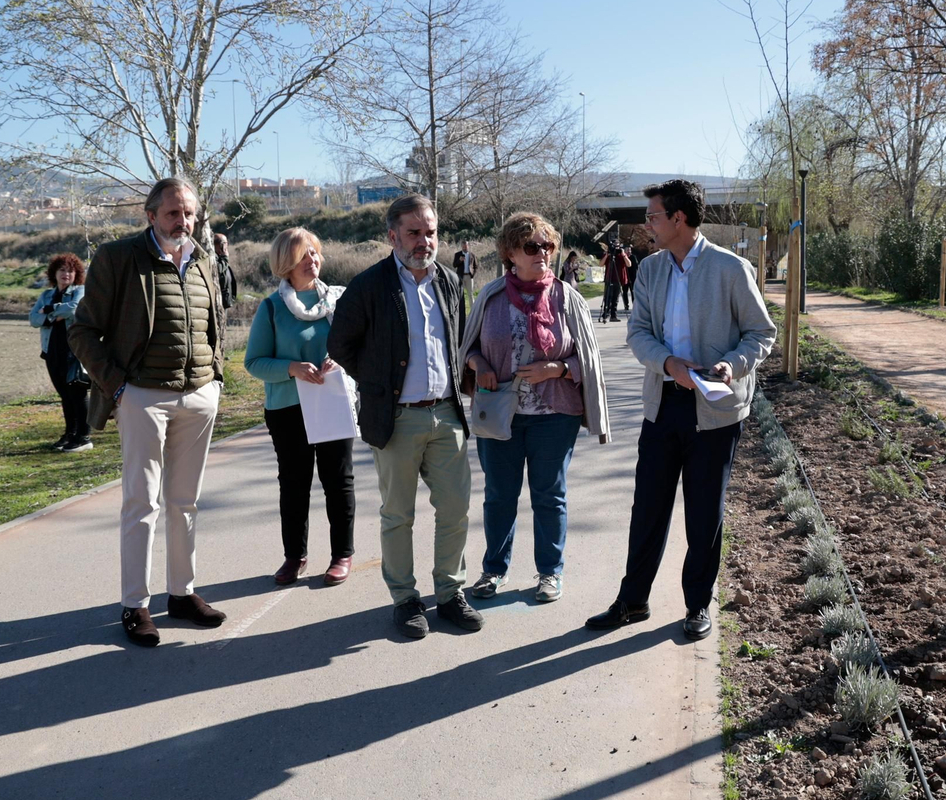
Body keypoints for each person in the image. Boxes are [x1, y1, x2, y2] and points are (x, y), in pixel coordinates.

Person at [586, 179, 775, 642]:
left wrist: (732, 364)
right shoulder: (650, 270)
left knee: (704, 514)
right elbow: (639, 333)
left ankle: (696, 606)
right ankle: (633, 600)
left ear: (679, 218)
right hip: (663, 405)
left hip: (716, 413)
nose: (647, 223)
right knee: (647, 507)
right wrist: (669, 363)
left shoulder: (731, 268)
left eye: (653, 215)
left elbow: (761, 333)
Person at [69, 178, 229, 648]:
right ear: (151, 215)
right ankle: (135, 604)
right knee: (142, 502)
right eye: (173, 213)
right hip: (142, 395)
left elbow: (214, 319)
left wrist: (216, 376)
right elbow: (83, 331)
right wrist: (118, 386)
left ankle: (182, 594)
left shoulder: (204, 259)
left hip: (199, 396)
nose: (183, 221)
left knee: (186, 502)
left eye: (190, 213)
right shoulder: (119, 258)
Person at [327, 194, 483, 639]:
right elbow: (340, 345)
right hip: (396, 420)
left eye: (430, 232)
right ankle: (405, 598)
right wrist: (378, 385)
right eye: (414, 233)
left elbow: (457, 339)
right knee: (398, 515)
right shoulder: (369, 285)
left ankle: (450, 593)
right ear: (392, 235)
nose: (423, 241)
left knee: (455, 510)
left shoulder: (449, 281)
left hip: (447, 415)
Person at [462, 212, 610, 604]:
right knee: (499, 496)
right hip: (500, 414)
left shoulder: (567, 297)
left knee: (549, 495)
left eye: (547, 245)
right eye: (532, 246)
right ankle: (494, 570)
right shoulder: (490, 297)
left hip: (554, 417)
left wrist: (558, 368)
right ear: (511, 253)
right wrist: (479, 365)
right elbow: (467, 349)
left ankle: (550, 572)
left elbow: (589, 360)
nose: (542, 253)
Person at [245, 227, 355, 587]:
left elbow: (358, 349)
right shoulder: (272, 308)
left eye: (315, 253)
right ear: (286, 263)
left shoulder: (338, 302)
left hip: (331, 404)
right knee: (294, 485)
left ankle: (342, 554)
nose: (313, 260)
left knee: (338, 481)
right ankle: (295, 557)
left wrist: (342, 362)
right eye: (304, 254)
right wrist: (291, 368)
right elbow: (254, 362)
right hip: (287, 410)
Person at [29, 252, 92, 451]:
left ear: (77, 274)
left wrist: (49, 310)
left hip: (74, 351)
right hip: (51, 351)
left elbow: (74, 309)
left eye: (70, 271)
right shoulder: (45, 295)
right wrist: (52, 317)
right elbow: (33, 319)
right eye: (62, 270)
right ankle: (69, 434)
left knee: (78, 393)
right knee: (65, 395)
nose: (66, 274)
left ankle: (84, 437)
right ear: (54, 273)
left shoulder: (79, 291)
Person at [212, 232, 239, 312]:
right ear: (222, 245)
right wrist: (225, 258)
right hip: (217, 301)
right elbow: (216, 270)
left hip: (223, 301)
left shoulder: (220, 257)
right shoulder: (212, 257)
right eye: (226, 243)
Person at [619, 245, 635, 312]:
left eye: (630, 250)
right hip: (625, 277)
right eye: (627, 250)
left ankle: (634, 305)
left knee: (633, 292)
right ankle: (626, 305)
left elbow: (635, 267)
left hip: (633, 277)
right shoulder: (622, 257)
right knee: (625, 292)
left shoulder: (633, 257)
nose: (629, 251)